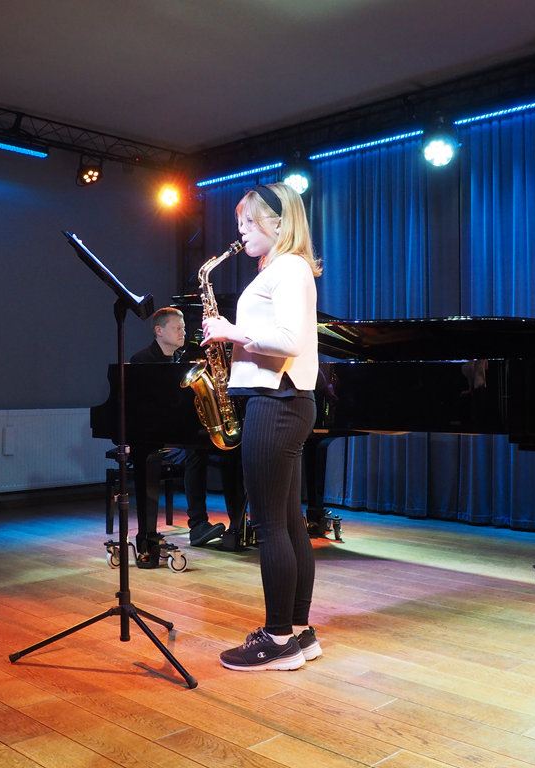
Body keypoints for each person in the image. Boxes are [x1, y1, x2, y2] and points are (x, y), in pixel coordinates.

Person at [203, 182, 323, 671]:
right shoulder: (283, 268)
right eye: (239, 223)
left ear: (279, 221)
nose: (242, 232)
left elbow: (290, 340)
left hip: (276, 401)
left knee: (269, 525)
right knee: (289, 523)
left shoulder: (289, 267)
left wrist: (231, 332)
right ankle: (298, 633)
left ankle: (276, 641)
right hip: (282, 401)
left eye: (249, 222)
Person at [129, 308, 226, 567]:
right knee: (195, 453)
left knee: (213, 450)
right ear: (159, 331)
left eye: (183, 328)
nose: (183, 333)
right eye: (177, 328)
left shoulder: (181, 360)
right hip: (152, 434)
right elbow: (142, 409)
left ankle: (224, 526)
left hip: (175, 430)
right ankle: (155, 535)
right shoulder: (141, 360)